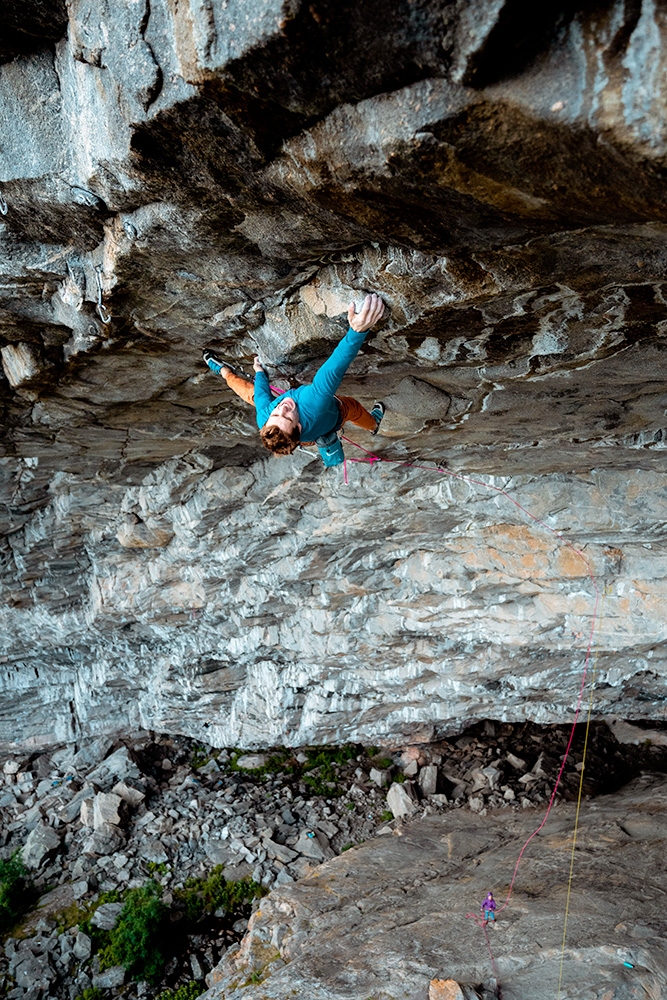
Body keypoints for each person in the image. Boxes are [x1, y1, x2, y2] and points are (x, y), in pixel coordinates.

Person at [202, 293, 386, 465]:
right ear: (297, 426)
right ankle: (373, 424)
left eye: (275, 415)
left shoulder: (265, 418)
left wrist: (259, 372)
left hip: (306, 438)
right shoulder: (313, 403)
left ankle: (224, 372)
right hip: (336, 414)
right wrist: (357, 331)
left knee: (251, 396)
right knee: (352, 408)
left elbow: (260, 395)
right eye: (287, 417)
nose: (281, 408)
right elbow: (332, 371)